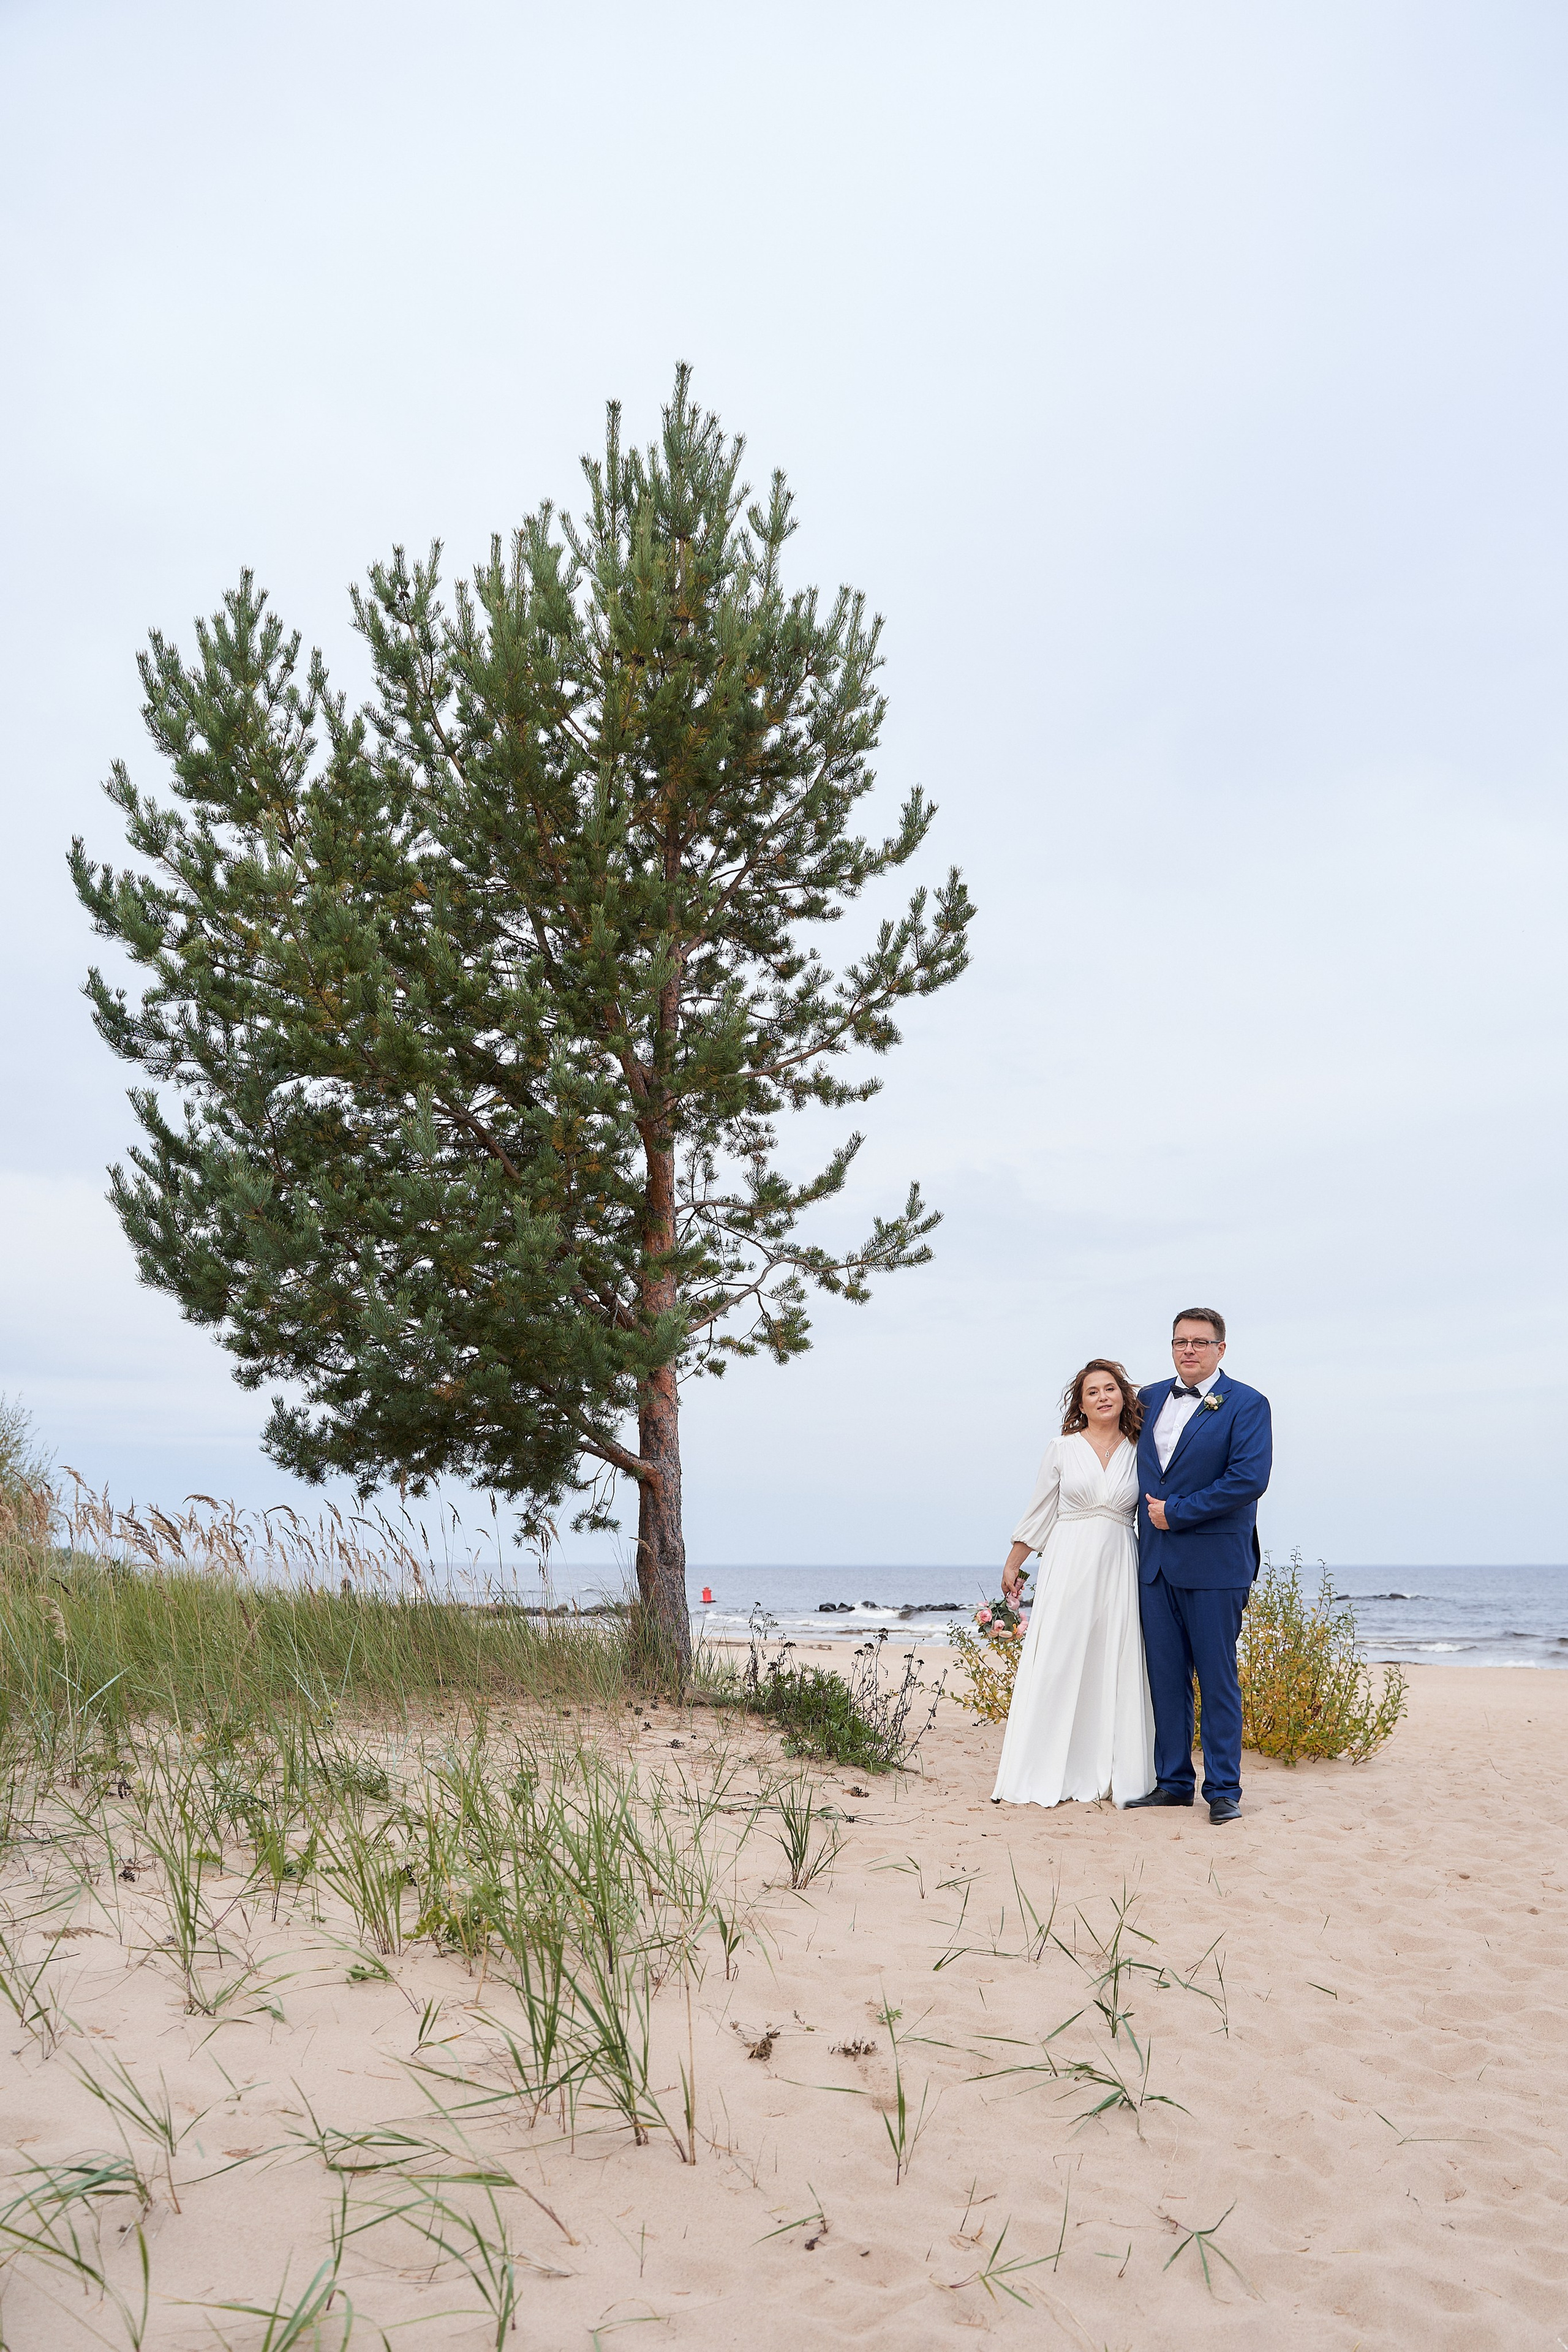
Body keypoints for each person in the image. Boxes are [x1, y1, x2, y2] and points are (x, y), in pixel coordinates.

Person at [1124, 1309, 1272, 1824]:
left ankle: (1224, 1790)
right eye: (1180, 1341)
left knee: (1217, 1679)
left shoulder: (1247, 1404)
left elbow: (1248, 1480)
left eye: (1200, 1342)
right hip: (1155, 1565)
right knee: (1165, 1679)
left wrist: (1176, 1513)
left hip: (1215, 1564)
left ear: (1221, 1349)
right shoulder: (1146, 1400)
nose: (1189, 1350)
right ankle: (1173, 1783)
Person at [991, 1360, 1156, 1809]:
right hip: (1069, 1561)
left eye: (1110, 1389)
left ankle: (1109, 1769)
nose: (1103, 1397)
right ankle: (1045, 1768)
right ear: (1080, 1404)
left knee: (1114, 1658)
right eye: (1092, 1392)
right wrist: (1014, 1563)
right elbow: (1041, 1510)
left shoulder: (1142, 1448)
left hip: (1121, 1561)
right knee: (1060, 1658)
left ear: (1123, 1396)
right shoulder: (1061, 1448)